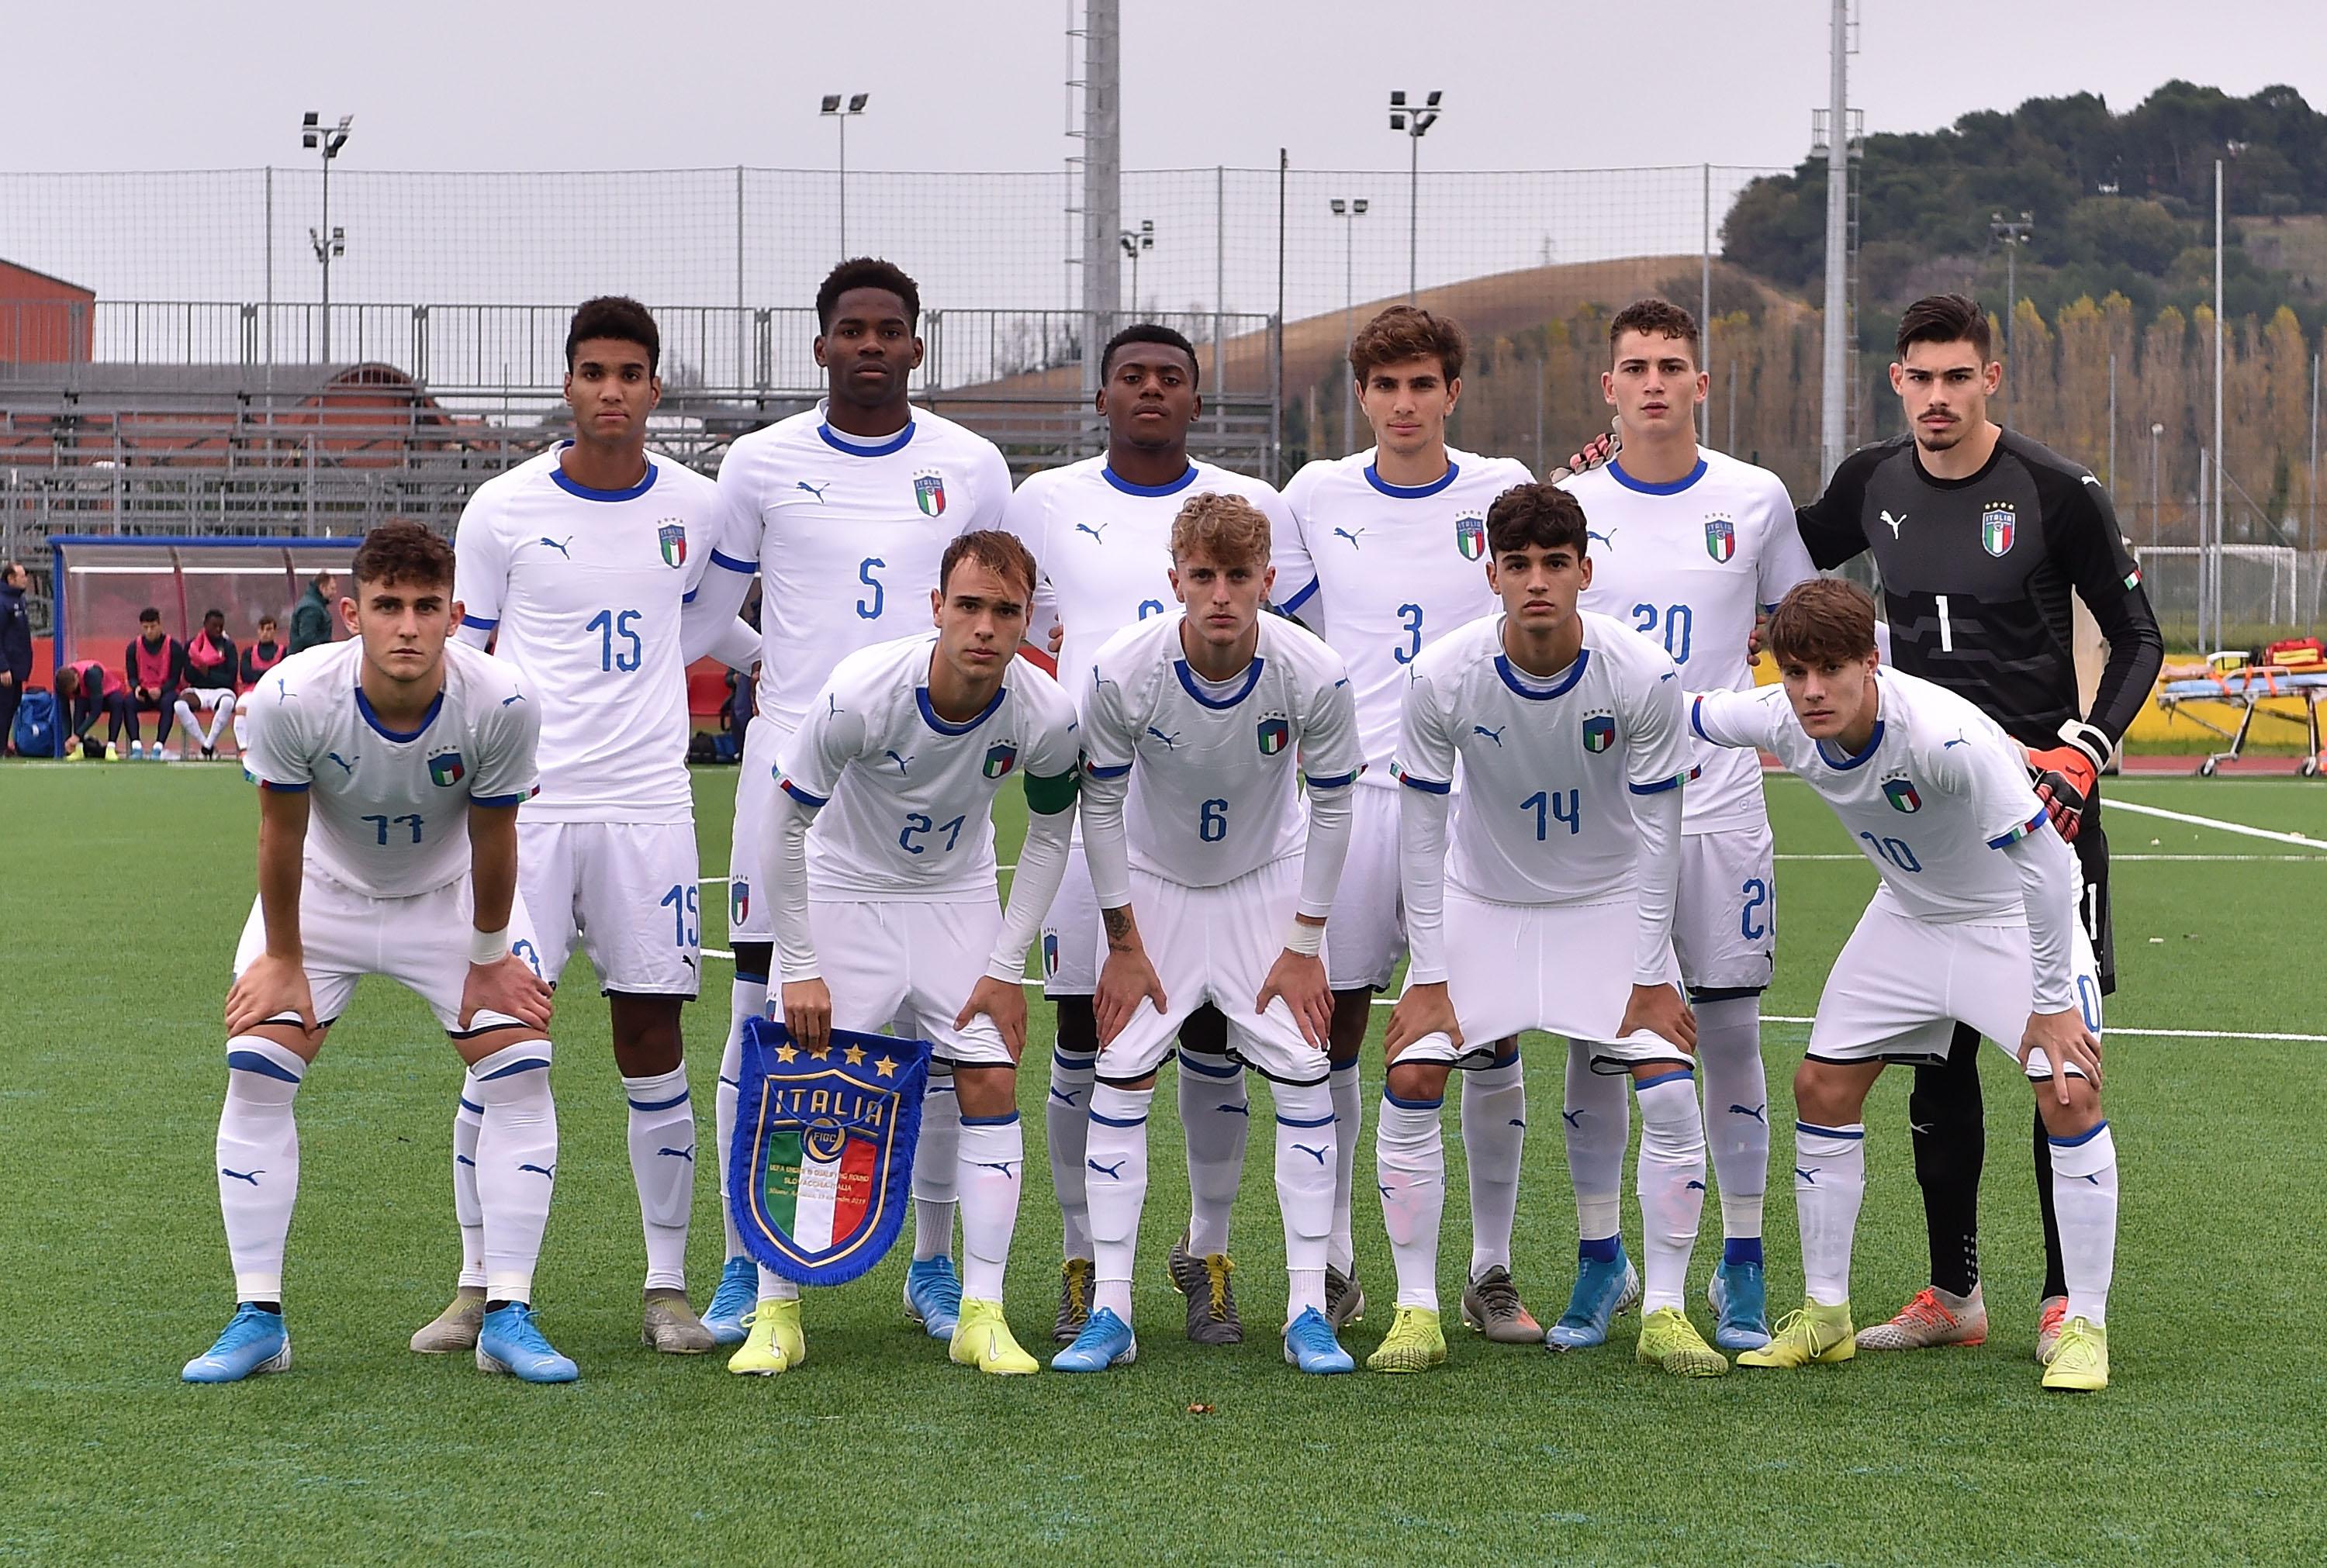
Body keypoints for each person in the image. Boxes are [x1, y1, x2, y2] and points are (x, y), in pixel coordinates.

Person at [1790, 294, 2160, 1362]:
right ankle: (1954, 1291)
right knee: (1934, 1060)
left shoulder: (2056, 491)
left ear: (1990, 378)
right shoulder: (1872, 483)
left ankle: (2062, 1303)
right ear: (1896, 381)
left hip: (2044, 818)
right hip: (1926, 821)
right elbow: (1765, 555)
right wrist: (1626, 459)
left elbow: (2138, 634)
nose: (1939, 397)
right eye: (1921, 377)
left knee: (2059, 1059)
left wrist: (2087, 747)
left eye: (1959, 377)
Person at [690, 257, 1014, 1347]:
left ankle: (930, 1264)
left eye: (891, 330)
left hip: (933, 776)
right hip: (796, 772)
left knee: (931, 1029)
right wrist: (781, 670)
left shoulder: (969, 464)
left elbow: (1006, 595)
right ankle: (747, 1260)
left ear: (919, 347)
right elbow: (705, 616)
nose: (871, 344)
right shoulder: (759, 461)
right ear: (820, 344)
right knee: (764, 1021)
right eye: (851, 329)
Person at [1691, 579, 2117, 1392]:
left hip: (2008, 915)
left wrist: (2054, 1002)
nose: (1812, 692)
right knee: (1821, 1087)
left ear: (1869, 662)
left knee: (2068, 1092)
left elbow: (2042, 863)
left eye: (1831, 672)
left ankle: (2084, 1328)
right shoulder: (1784, 718)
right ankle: (1826, 1316)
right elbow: (1685, 712)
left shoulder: (1945, 738)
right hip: (1910, 916)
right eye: (1796, 673)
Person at [179, 522, 576, 1385]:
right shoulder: (289, 696)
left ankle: (508, 1311)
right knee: (255, 1066)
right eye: (388, 606)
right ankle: (258, 1319)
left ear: (455, 615)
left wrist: (487, 955)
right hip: (323, 899)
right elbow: (278, 836)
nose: (406, 626)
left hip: (452, 898)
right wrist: (282, 956)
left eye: (425, 607)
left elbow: (498, 835)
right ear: (352, 614)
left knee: (519, 1068)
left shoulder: (503, 700)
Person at [436, 295, 735, 1356]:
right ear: (569, 384)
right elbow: (463, 658)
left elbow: (714, 617)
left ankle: (666, 1288)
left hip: (649, 809)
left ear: (656, 388)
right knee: (502, 1044)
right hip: (529, 812)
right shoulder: (502, 509)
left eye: (631, 373)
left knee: (651, 1040)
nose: (612, 390)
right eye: (593, 371)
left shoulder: (703, 505)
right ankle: (479, 1283)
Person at [1376, 481, 1721, 1378]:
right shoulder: (1442, 675)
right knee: (1414, 1071)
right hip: (1484, 903)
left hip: (1605, 906)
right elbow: (1422, 834)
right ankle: (1417, 1308)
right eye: (1519, 565)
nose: (1537, 582)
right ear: (1490, 573)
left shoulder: (1642, 675)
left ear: (1585, 572)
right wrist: (1428, 969)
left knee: (1671, 1087)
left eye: (1555, 565)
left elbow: (1660, 838)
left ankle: (1669, 1310)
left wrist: (1652, 972)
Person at [1001, 320, 1297, 1349]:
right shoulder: (1045, 502)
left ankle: (1208, 1252)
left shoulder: (1244, 509)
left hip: (1214, 829)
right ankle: (1085, 1258)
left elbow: (1282, 651)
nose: (1152, 391)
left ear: (1197, 400)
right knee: (1084, 1042)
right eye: (1132, 377)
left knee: (1215, 1038)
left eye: (1172, 378)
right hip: (1097, 810)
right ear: (1102, 399)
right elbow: (1023, 635)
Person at [731, 530, 1080, 1377]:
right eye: (969, 606)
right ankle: (775, 1313)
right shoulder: (863, 692)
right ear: (937, 609)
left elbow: (1050, 832)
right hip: (845, 893)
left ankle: (981, 1314)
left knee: (990, 1076)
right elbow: (783, 825)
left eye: (1006, 611)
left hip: (955, 900)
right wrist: (803, 960)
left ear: (1028, 618)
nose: (986, 627)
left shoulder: (1047, 712)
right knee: (804, 1082)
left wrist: (1004, 967)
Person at [1271, 304, 1540, 1342]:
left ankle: (1490, 1273)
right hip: (1352, 797)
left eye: (1422, 384)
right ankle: (1332, 1267)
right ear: (1362, 395)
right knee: (1331, 1028)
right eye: (1385, 387)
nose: (1403, 405)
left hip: (1474, 798)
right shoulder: (1316, 494)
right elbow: (1287, 630)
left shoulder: (1498, 487)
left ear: (1452, 391)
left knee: (1489, 1026)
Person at [1554, 299, 1818, 1352]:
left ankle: (1742, 1263)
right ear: (1608, 388)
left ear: (1701, 385)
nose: (1654, 381)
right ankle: (1597, 1260)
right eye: (1635, 366)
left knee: (1732, 1032)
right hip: (1601, 818)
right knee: (1592, 1034)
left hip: (1718, 808)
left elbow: (1808, 633)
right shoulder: (1570, 502)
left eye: (1672, 365)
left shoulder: (1754, 499)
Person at [1055, 491, 1364, 1377]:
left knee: (1306, 1072)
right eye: (1203, 576)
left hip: (1267, 884)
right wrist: (1122, 939)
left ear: (1268, 581)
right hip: (1152, 888)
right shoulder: (1124, 670)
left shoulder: (1313, 671)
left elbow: (1335, 807)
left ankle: (1308, 1308)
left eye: (1238, 577)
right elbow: (1100, 804)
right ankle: (1111, 1309)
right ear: (1174, 581)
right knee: (1119, 1070)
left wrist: (1304, 945)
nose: (1220, 595)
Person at [174, 608, 239, 759]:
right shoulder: (193, 646)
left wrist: (208, 673)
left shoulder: (228, 646)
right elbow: (189, 676)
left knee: (228, 703)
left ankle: (207, 746)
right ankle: (206, 744)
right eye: (214, 626)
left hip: (221, 691)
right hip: (198, 690)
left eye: (221, 626)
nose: (218, 629)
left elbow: (230, 678)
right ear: (205, 625)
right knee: (179, 705)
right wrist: (198, 668)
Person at [124, 607, 187, 758]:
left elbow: (175, 678)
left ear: (160, 625)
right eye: (146, 628)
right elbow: (132, 676)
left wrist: (161, 690)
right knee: (128, 702)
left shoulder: (174, 647)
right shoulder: (133, 648)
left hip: (165, 691)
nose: (149, 631)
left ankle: (158, 747)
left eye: (153, 627)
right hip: (144, 692)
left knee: (169, 703)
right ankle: (136, 746)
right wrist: (137, 688)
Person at [55, 659, 134, 756]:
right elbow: (65, 714)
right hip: (88, 695)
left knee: (117, 702)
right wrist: (67, 740)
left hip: (109, 693)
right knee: (80, 703)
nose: (72, 693)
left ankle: (111, 747)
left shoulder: (92, 674)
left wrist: (77, 735)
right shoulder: (60, 685)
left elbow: (96, 711)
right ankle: (79, 749)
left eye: (73, 689)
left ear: (76, 678)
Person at [235, 615, 289, 755]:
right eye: (263, 629)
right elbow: (246, 675)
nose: (266, 632)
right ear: (258, 631)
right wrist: (269, 673)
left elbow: (283, 674)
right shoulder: (249, 653)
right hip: (252, 690)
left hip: (275, 691)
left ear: (275, 631)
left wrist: (259, 674)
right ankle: (244, 749)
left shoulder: (283, 652)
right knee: (240, 709)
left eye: (269, 629)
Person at [0, 561, 31, 755]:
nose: (25, 579)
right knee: (3, 708)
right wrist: (2, 667)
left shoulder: (19, 600)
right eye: (22, 576)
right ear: (11, 579)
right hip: (6, 668)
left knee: (11, 706)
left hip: (17, 667)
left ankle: (3, 744)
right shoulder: (2, 602)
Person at [290, 573, 338, 654]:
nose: (335, 592)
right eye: (332, 589)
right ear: (322, 587)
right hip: (308, 661)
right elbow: (308, 639)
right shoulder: (311, 609)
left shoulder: (314, 605)